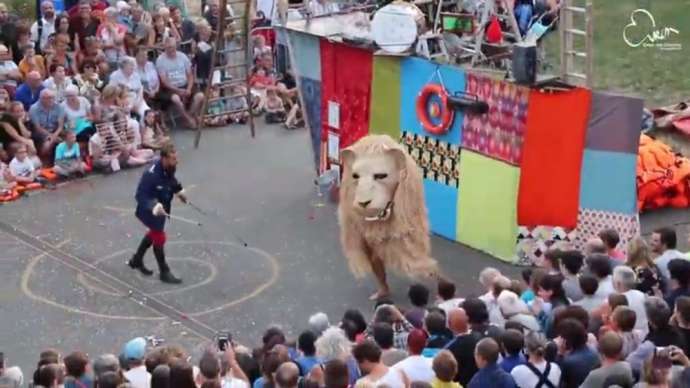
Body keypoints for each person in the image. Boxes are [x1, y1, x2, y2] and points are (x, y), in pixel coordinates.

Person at [128, 143, 187, 283]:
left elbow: (171, 180)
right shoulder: (151, 175)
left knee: (154, 233)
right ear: (164, 159)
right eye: (173, 159)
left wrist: (179, 191)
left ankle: (136, 259)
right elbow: (140, 196)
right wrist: (154, 206)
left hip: (162, 208)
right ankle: (164, 271)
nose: (176, 161)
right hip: (149, 210)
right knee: (159, 238)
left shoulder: (169, 167)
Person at [155, 36, 203, 127]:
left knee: (200, 96)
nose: (171, 49)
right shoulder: (160, 60)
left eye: (173, 47)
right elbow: (164, 81)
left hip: (184, 84)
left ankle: (189, 114)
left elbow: (190, 75)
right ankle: (188, 119)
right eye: (169, 47)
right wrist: (177, 90)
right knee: (176, 99)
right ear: (165, 47)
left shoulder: (182, 56)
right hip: (170, 88)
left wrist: (189, 88)